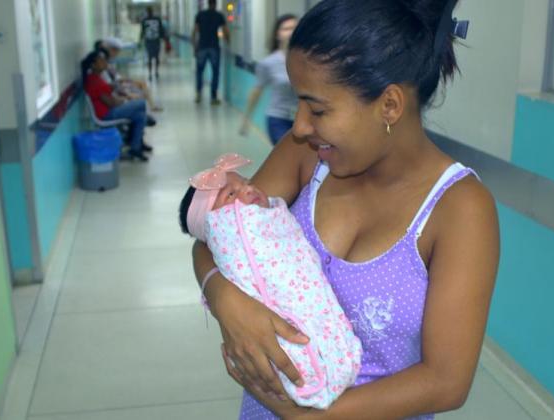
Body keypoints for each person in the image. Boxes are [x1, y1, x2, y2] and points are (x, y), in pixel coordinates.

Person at [190, 0, 499, 419]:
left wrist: (306, 418)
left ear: (389, 105)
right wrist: (224, 297)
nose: (300, 126)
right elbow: (213, 234)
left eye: (317, 109)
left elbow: (445, 382)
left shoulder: (460, 208)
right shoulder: (306, 157)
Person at [179, 153, 363, 409]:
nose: (248, 189)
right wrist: (221, 295)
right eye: (231, 195)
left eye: (245, 183)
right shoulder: (299, 151)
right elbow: (202, 244)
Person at [240, 15, 299, 145]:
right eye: (286, 28)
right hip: (278, 119)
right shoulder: (268, 63)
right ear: (278, 34)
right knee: (286, 158)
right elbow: (257, 91)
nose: (291, 32)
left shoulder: (308, 60)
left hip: (303, 120)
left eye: (294, 28)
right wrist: (246, 119)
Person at [82, 50, 149, 162]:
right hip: (107, 114)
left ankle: (136, 147)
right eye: (101, 61)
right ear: (93, 65)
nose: (105, 62)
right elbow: (111, 103)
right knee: (141, 103)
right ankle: (136, 142)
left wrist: (120, 96)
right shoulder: (94, 81)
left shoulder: (96, 78)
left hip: (110, 110)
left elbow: (109, 95)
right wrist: (125, 101)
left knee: (140, 116)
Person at [100, 38, 164, 112]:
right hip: (119, 87)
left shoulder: (107, 62)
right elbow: (114, 82)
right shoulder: (104, 65)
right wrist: (126, 86)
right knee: (141, 87)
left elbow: (115, 76)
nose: (118, 53)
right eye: (116, 51)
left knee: (142, 83)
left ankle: (152, 106)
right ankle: (150, 107)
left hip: (119, 84)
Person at [192, 0, 230, 105]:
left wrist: (194, 46)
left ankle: (198, 94)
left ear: (208, 3)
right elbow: (225, 30)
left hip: (202, 47)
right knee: (215, 72)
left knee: (199, 71)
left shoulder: (200, 15)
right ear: (215, 4)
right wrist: (228, 41)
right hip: (214, 47)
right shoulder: (219, 16)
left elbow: (194, 31)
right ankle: (213, 97)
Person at [140, 6, 168, 81]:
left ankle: (151, 73)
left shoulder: (144, 20)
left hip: (149, 41)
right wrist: (164, 39)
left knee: (150, 57)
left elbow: (142, 31)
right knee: (156, 57)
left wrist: (140, 40)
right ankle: (155, 72)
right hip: (156, 41)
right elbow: (161, 30)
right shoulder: (157, 19)